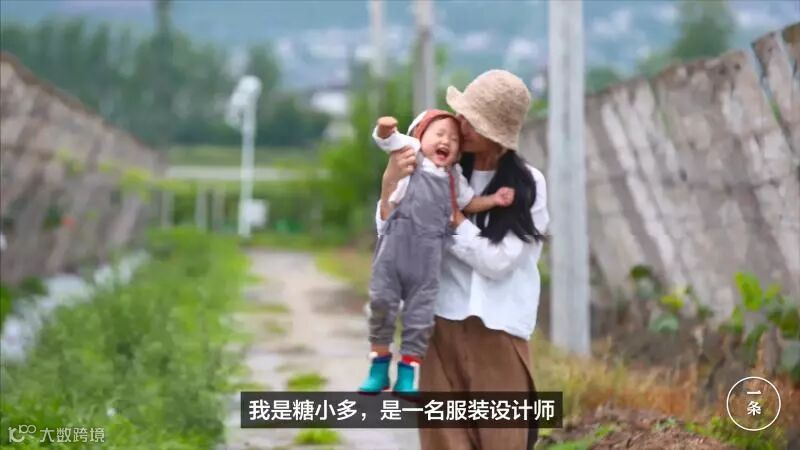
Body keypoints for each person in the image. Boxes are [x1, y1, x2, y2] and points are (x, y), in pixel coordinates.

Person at [377, 69, 549, 449]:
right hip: (438, 330)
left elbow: (497, 263)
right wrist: (389, 186)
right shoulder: (438, 169)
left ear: (497, 134)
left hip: (500, 336)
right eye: (463, 113)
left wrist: (453, 220)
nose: (461, 124)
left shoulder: (528, 185)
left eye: (474, 120)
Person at [359, 109, 515, 395]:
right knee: (381, 305)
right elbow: (387, 140)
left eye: (454, 140)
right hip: (392, 254)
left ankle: (407, 375)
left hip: (428, 262)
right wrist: (384, 128)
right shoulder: (413, 155)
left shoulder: (454, 178)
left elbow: (469, 203)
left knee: (420, 318)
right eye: (439, 134)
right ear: (420, 136)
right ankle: (378, 369)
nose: (446, 141)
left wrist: (493, 200)